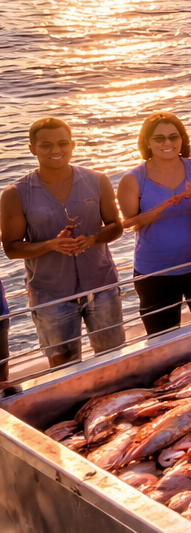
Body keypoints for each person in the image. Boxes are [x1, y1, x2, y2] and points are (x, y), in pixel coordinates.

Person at [1, 118, 125, 367]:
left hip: (101, 286)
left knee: (115, 360)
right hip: (51, 295)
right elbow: (12, 248)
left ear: (73, 145)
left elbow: (116, 226)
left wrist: (94, 238)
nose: (56, 150)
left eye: (62, 143)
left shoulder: (97, 180)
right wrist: (50, 245)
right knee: (64, 368)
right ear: (32, 148)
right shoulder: (15, 193)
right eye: (46, 145)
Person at [118, 112, 191, 334]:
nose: (168, 143)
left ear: (182, 139)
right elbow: (129, 223)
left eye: (174, 137)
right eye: (159, 138)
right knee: (162, 340)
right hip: (155, 273)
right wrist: (168, 203)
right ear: (147, 142)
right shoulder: (133, 179)